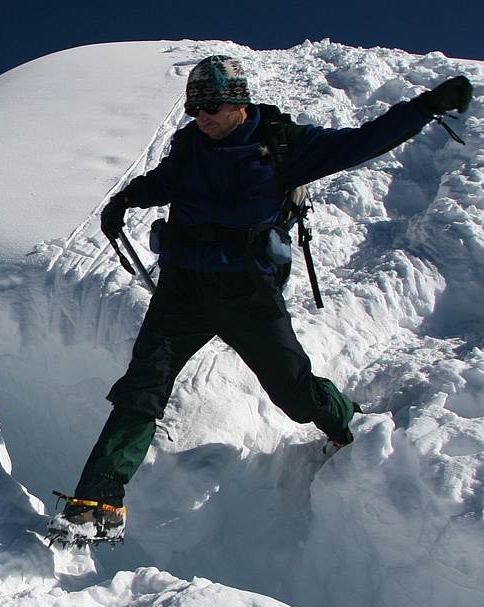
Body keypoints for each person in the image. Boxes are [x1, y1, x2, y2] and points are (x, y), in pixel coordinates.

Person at [48, 55, 473, 546]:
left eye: (213, 105)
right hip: (182, 289)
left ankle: (344, 419)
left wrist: (425, 107)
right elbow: (161, 182)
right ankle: (99, 501)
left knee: (292, 391)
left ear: (239, 101)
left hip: (248, 292)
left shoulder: (282, 146)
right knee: (142, 387)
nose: (203, 116)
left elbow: (362, 142)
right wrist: (123, 201)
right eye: (195, 108)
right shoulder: (189, 149)